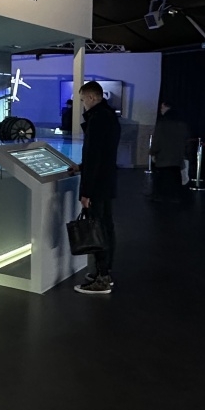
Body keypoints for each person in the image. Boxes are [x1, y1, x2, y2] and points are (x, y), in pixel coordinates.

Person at [72, 81, 121, 295]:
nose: (83, 104)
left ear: (91, 97)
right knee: (106, 228)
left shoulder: (97, 119)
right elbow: (102, 154)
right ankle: (104, 272)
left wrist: (86, 192)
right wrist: (81, 167)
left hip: (97, 185)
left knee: (97, 230)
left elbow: (94, 156)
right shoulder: (109, 117)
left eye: (83, 99)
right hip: (106, 182)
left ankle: (102, 279)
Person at [149, 100, 191, 203]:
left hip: (163, 157)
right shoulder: (182, 123)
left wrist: (153, 152)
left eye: (162, 107)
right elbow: (186, 141)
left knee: (162, 179)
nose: (161, 110)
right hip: (176, 158)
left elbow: (157, 140)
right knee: (175, 178)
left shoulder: (162, 123)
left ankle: (160, 196)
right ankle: (176, 197)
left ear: (167, 108)